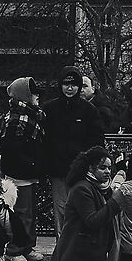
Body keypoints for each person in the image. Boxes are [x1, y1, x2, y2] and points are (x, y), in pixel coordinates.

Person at [43, 67, 104, 239]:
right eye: (66, 84)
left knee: (81, 209)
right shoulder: (50, 109)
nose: (70, 88)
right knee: (61, 210)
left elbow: (97, 140)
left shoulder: (89, 110)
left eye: (74, 85)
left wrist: (88, 164)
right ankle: (62, 245)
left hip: (81, 172)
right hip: (58, 170)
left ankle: (77, 244)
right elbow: (43, 139)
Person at [0, 76, 45, 251]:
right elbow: (12, 149)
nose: (37, 96)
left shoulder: (27, 115)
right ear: (25, 96)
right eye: (34, 93)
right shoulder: (18, 118)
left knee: (28, 213)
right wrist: (32, 165)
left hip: (26, 172)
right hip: (21, 174)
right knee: (23, 213)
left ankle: (26, 246)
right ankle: (16, 248)